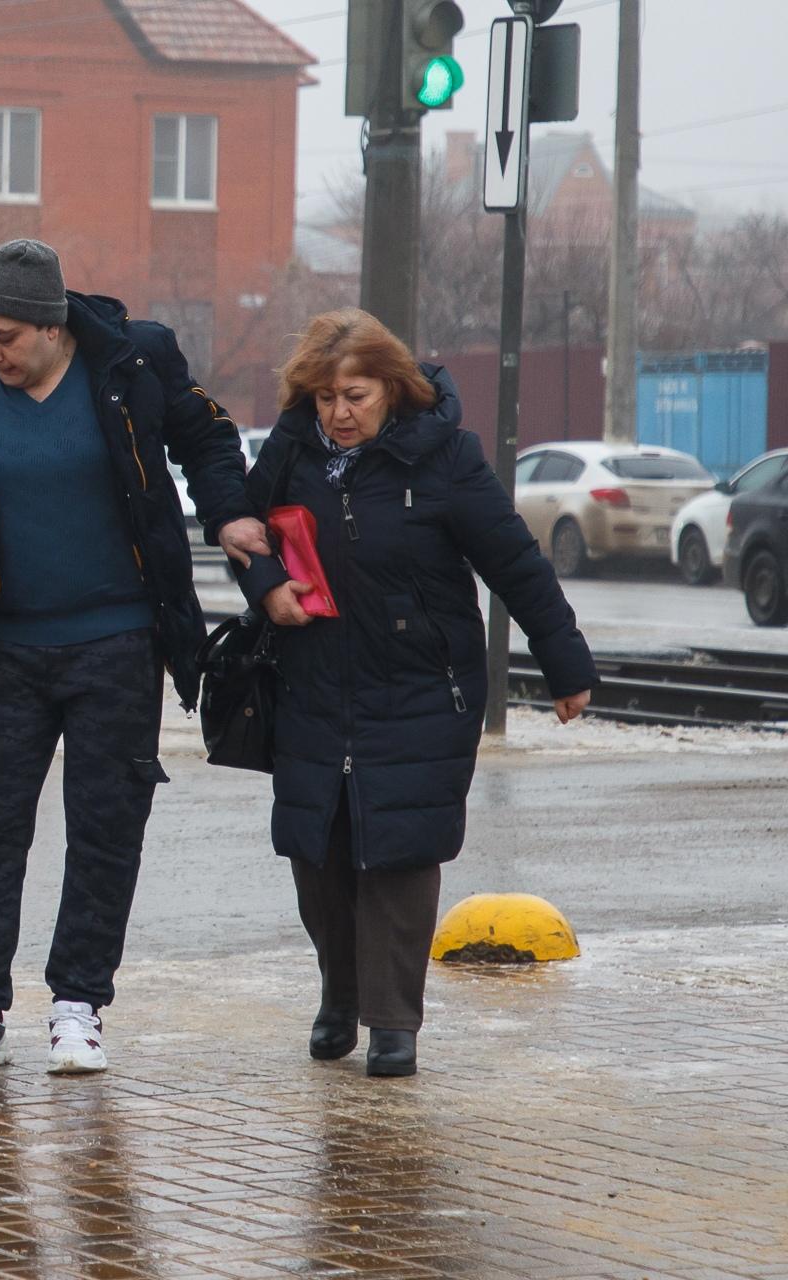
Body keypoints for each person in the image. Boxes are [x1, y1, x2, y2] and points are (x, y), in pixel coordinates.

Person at [0, 238, 272, 1077]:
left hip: (119, 640)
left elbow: (207, 439)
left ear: (50, 325)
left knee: (105, 828)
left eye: (4, 339)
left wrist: (229, 515)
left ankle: (78, 1008)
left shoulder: (135, 361)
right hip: (6, 646)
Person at [230, 308, 596, 1078]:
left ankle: (394, 1022)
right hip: (314, 681)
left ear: (392, 387)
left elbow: (515, 564)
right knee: (318, 854)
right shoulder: (293, 452)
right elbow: (243, 533)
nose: (339, 413)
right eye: (326, 397)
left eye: (355, 396)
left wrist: (564, 663)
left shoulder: (445, 458)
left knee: (399, 854)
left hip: (424, 688)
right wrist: (267, 586)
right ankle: (340, 994)